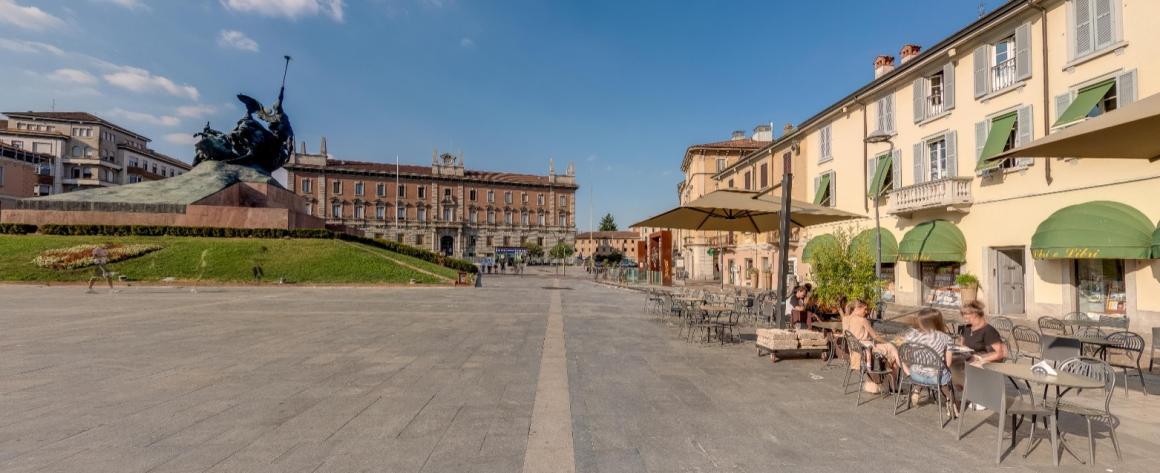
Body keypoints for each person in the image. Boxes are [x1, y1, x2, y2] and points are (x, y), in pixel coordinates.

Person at [900, 309, 955, 407]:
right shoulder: (946, 338)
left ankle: (917, 390)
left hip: (915, 376)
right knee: (945, 373)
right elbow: (949, 363)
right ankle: (951, 401)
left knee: (922, 367)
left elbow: (907, 354)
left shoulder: (911, 335)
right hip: (935, 378)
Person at [841, 299, 900, 369]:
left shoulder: (845, 319)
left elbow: (846, 334)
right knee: (891, 347)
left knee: (889, 351)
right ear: (857, 308)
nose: (866, 312)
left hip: (854, 353)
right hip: (864, 352)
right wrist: (887, 341)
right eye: (865, 309)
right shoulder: (862, 320)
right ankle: (904, 373)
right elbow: (875, 336)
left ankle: (899, 373)